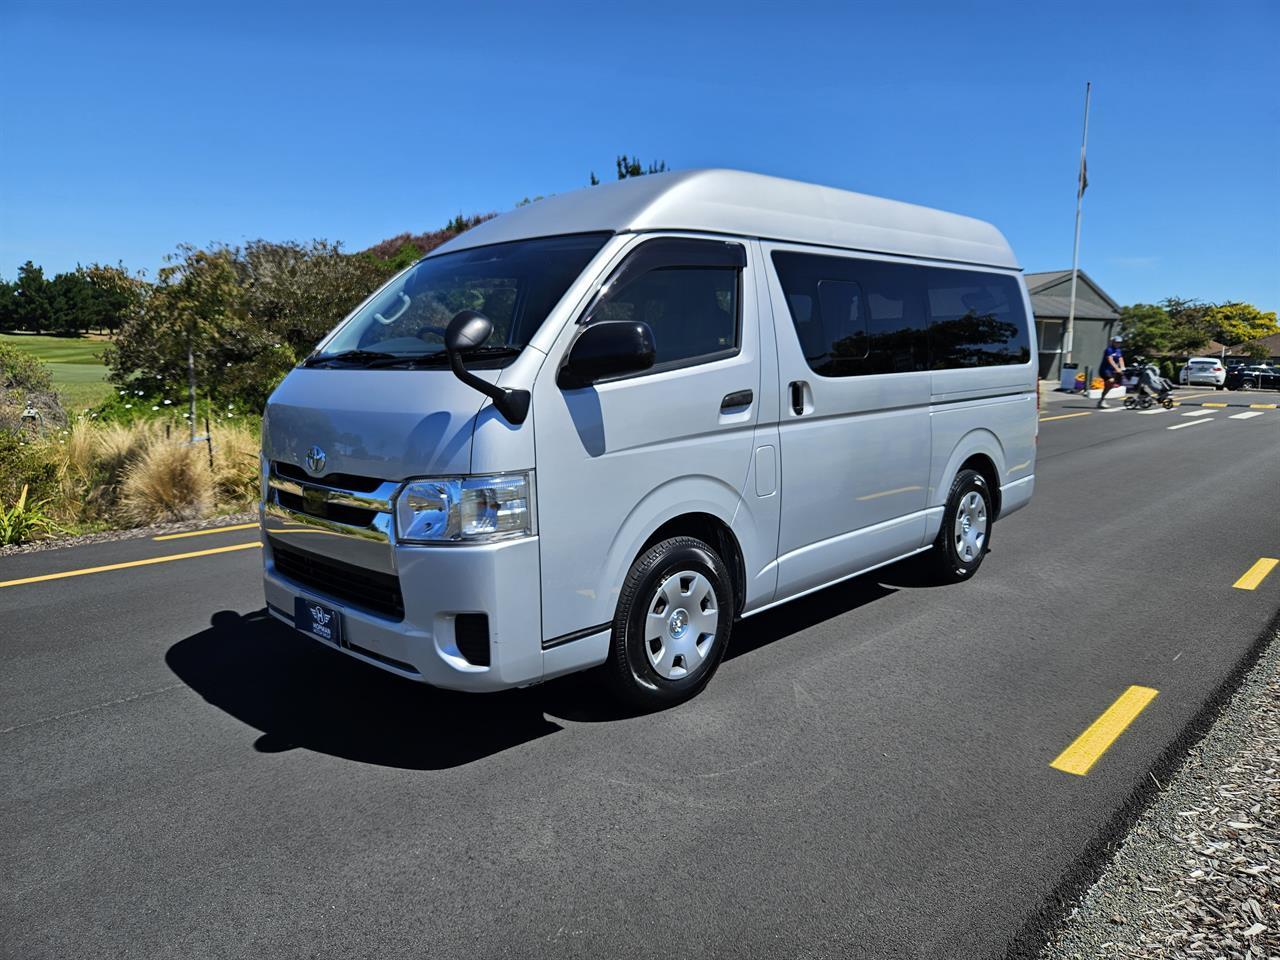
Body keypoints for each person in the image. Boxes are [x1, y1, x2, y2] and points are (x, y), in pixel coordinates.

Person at [1098, 335, 1126, 408]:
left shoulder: (1118, 350)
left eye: (1119, 343)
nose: (1118, 344)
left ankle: (1102, 400)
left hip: (1112, 371)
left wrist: (1122, 367)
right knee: (1111, 381)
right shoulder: (1109, 350)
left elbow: (1120, 359)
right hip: (1105, 370)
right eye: (1116, 342)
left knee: (1110, 385)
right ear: (1113, 342)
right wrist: (1117, 369)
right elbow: (1110, 360)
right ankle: (1102, 399)